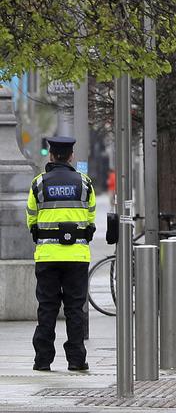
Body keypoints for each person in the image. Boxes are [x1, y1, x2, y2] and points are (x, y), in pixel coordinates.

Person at [26, 136, 95, 372]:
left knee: (47, 308)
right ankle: (76, 360)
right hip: (76, 257)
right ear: (71, 156)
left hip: (47, 257)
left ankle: (42, 360)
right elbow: (91, 218)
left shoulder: (39, 184)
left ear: (51, 155)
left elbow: (31, 219)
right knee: (75, 308)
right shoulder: (85, 183)